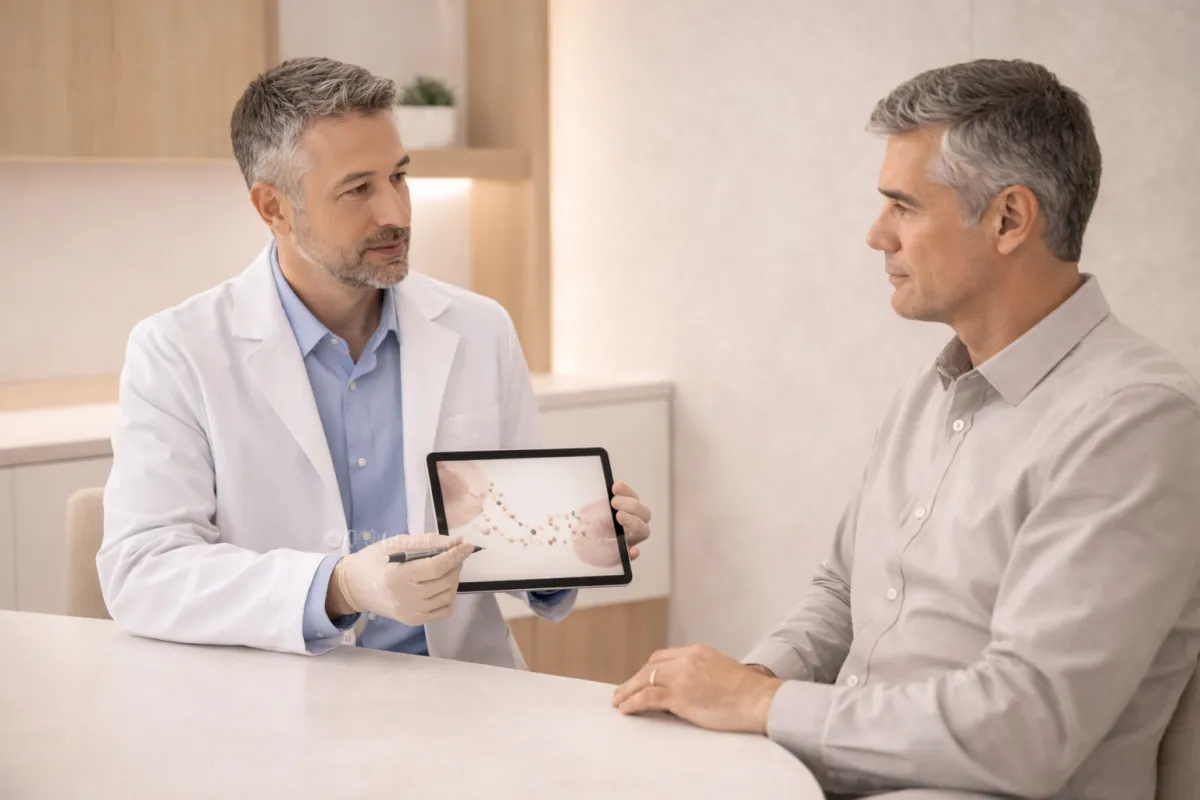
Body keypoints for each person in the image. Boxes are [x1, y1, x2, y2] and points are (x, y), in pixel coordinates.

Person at [612, 59, 1200, 799]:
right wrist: (747, 682)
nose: (875, 235)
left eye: (903, 207)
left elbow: (1027, 728)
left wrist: (762, 704)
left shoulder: (1136, 420)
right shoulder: (933, 391)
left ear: (1009, 220)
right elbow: (841, 593)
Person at [97, 56, 652, 664]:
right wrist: (338, 588)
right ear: (273, 208)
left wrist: (578, 544)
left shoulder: (480, 328)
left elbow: (509, 541)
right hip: (279, 696)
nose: (395, 213)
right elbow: (143, 571)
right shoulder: (178, 351)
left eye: (399, 177)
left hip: (458, 691)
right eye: (358, 189)